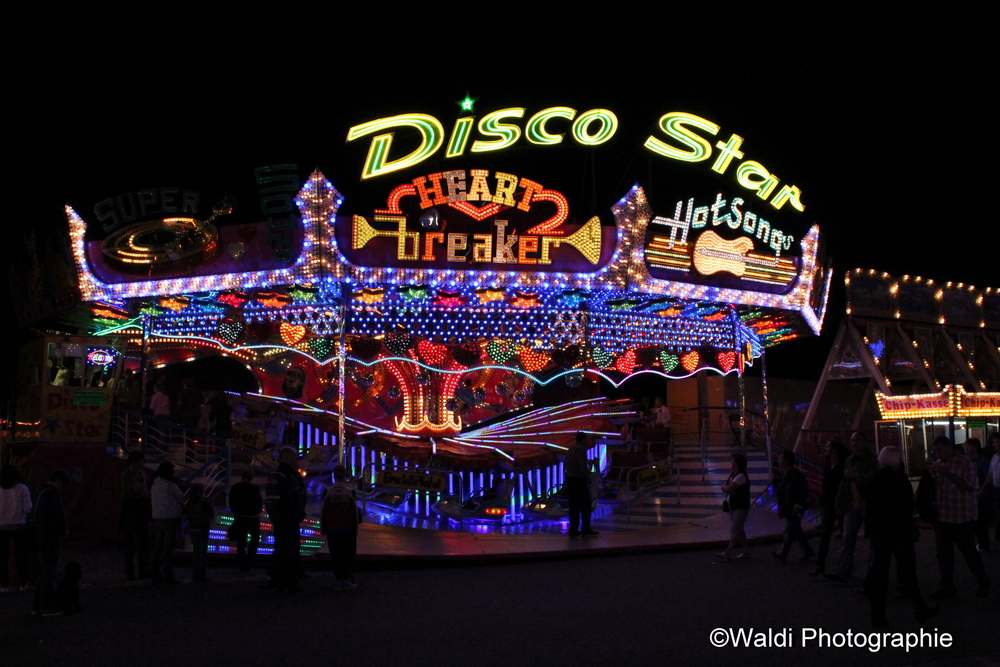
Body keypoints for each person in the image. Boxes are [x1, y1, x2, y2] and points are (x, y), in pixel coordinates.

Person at [867, 446, 938, 626]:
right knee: (908, 570)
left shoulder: (875, 479)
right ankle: (919, 608)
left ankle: (878, 616)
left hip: (881, 531)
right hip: (899, 531)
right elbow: (907, 505)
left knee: (880, 575)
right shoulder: (900, 480)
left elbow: (871, 506)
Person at [929, 435, 991, 599]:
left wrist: (947, 474)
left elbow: (970, 486)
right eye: (935, 451)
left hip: (962, 517)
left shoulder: (966, 464)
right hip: (943, 516)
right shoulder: (938, 465)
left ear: (948, 447)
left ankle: (983, 581)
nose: (937, 454)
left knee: (969, 552)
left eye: (939, 450)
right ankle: (947, 586)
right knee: (944, 555)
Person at [826, 432, 876, 583]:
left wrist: (854, 476)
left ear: (865, 442)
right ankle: (843, 571)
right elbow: (844, 484)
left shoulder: (871, 460)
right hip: (852, 504)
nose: (855, 443)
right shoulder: (849, 460)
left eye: (858, 440)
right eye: (853, 440)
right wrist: (840, 501)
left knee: (874, 541)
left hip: (868, 504)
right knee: (847, 538)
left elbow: (872, 480)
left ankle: (872, 575)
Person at [264, 447, 306, 592]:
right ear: (286, 456)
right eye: (294, 456)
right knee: (284, 549)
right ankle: (283, 579)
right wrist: (279, 518)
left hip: (291, 519)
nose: (296, 459)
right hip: (285, 519)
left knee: (289, 548)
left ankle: (285, 578)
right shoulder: (280, 475)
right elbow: (272, 501)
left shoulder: (291, 475)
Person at [33, 470, 69, 616]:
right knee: (49, 573)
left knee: (42, 573)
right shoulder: (52, 494)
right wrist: (64, 531)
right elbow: (58, 516)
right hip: (51, 538)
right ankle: (47, 606)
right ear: (58, 481)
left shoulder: (40, 492)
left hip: (40, 537)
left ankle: (37, 606)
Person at [811, 439, 848, 576]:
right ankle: (820, 564)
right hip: (829, 502)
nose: (825, 448)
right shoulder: (828, 465)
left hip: (841, 502)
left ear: (834, 449)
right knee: (825, 535)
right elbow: (827, 485)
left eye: (827, 446)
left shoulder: (842, 465)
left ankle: (844, 566)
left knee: (845, 534)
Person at [321, 465, 360, 590]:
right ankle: (347, 578)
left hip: (332, 528)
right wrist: (355, 530)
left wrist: (323, 528)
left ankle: (338, 579)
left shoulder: (328, 491)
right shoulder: (350, 492)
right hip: (347, 529)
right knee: (348, 554)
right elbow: (355, 512)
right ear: (345, 475)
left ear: (334, 475)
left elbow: (323, 511)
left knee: (336, 554)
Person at [773, 450, 813, 562]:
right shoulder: (784, 476)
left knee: (789, 530)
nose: (779, 460)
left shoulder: (797, 476)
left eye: (781, 458)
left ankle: (783, 552)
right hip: (788, 508)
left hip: (795, 508)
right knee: (796, 530)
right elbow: (782, 495)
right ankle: (807, 550)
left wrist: (799, 504)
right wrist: (781, 510)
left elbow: (803, 491)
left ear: (786, 461)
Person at [150, 462, 184, 584]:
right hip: (170, 518)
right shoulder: (170, 485)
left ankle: (155, 573)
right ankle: (168, 575)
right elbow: (182, 498)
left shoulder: (155, 484)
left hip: (158, 518)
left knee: (158, 547)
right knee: (168, 549)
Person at [0, 465, 33, 592]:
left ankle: (4, 585)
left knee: (3, 557)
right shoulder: (22, 489)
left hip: (1, 526)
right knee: (21, 555)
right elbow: (28, 508)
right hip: (19, 525)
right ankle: (23, 583)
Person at [120, 451, 151, 581]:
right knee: (131, 541)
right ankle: (131, 571)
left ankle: (141, 570)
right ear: (135, 461)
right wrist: (143, 485)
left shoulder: (138, 474)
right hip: (132, 506)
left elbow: (144, 491)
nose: (143, 463)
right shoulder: (129, 475)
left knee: (143, 540)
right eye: (141, 460)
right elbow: (140, 490)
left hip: (137, 506)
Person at [718, 452, 751, 560]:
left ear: (736, 463)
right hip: (734, 505)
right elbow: (730, 489)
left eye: (732, 461)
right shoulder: (734, 475)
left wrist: (725, 487)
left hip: (740, 506)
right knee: (739, 529)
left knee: (735, 529)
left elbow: (728, 488)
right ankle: (746, 551)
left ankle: (728, 551)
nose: (730, 462)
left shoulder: (740, 476)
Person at [228, 470, 262, 572]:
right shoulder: (254, 488)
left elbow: (231, 502)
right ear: (251, 478)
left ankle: (242, 563)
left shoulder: (236, 487)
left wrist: (236, 511)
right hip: (253, 517)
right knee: (254, 539)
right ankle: (250, 560)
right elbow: (259, 502)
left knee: (241, 540)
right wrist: (257, 511)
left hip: (240, 517)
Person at [565, 432, 598, 536]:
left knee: (573, 506)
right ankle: (585, 528)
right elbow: (582, 465)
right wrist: (587, 477)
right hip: (578, 481)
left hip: (570, 479)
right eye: (587, 439)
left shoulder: (571, 449)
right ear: (582, 439)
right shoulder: (580, 449)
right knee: (585, 506)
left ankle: (574, 529)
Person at [185, 484, 214, 584]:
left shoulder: (189, 503)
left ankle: (195, 575)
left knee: (196, 553)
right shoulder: (205, 503)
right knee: (202, 553)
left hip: (193, 528)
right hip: (203, 529)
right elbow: (211, 514)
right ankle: (201, 576)